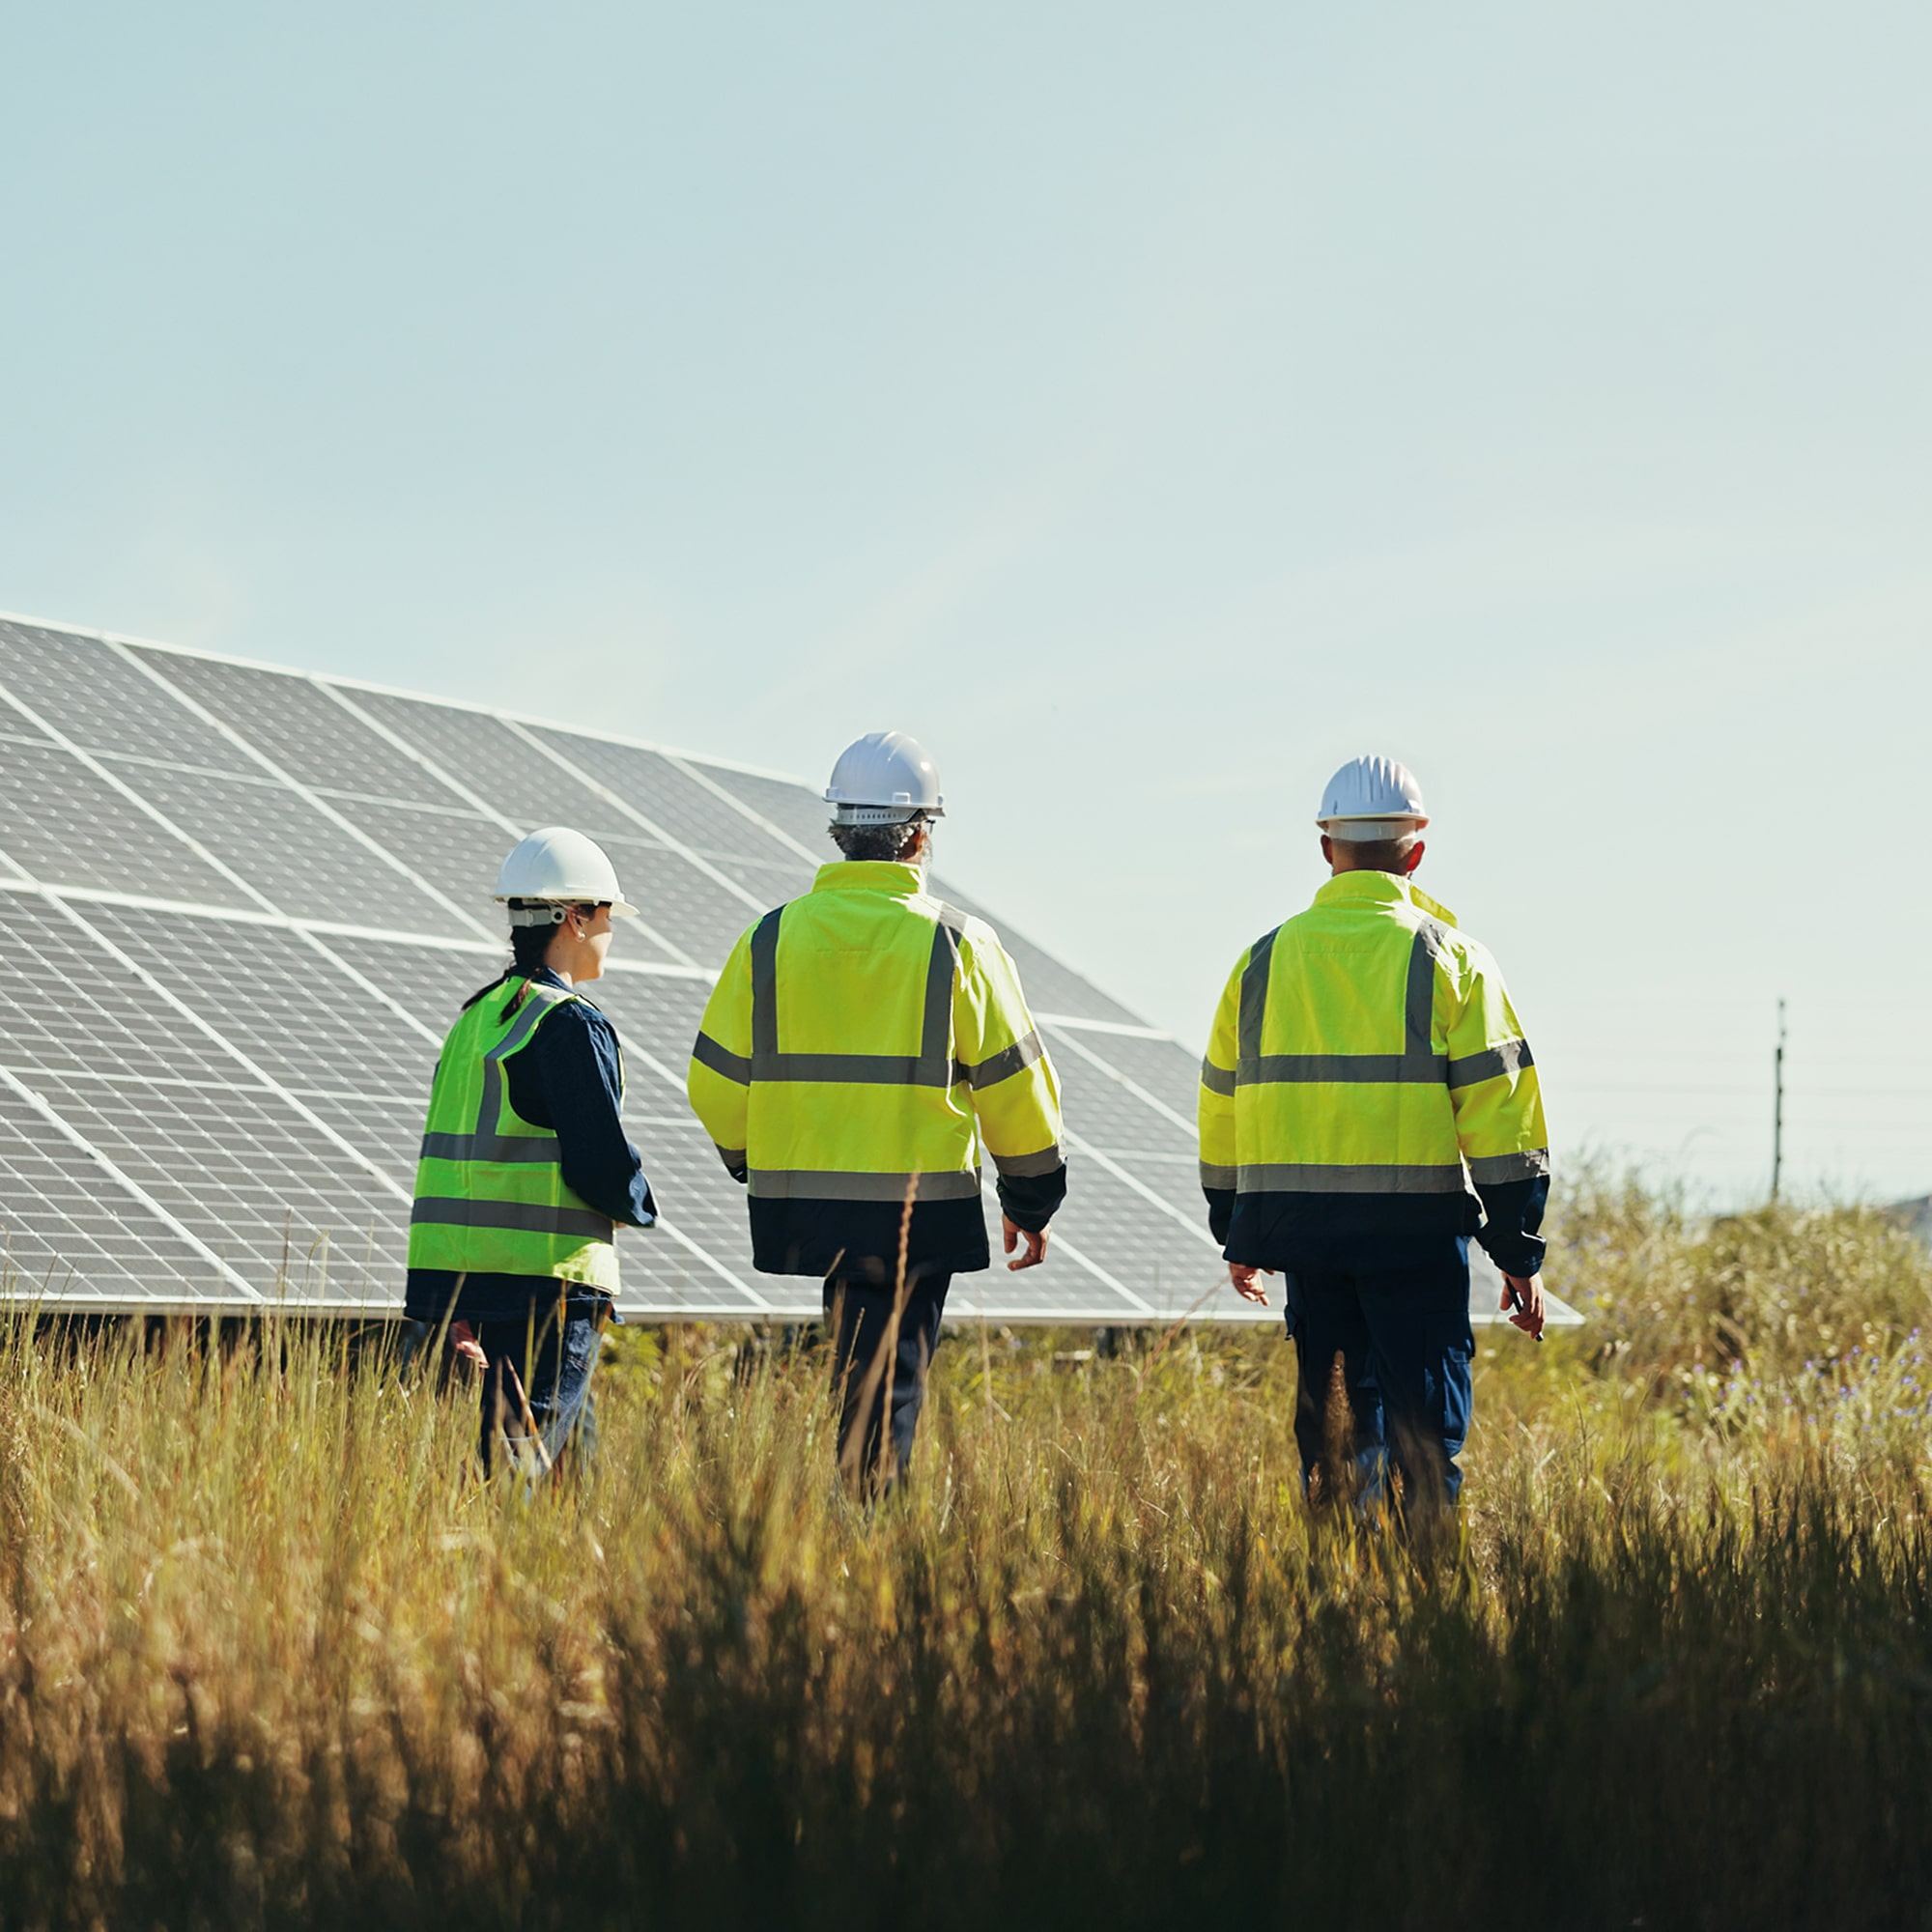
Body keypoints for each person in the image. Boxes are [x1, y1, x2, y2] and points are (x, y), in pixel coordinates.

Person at [687, 731, 1066, 1495]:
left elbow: (714, 1080)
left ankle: (857, 1510)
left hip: (806, 1204)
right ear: (921, 835)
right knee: (892, 1374)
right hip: (917, 1207)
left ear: (838, 831)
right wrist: (1031, 1197)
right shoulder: (960, 942)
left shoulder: (770, 938)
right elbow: (1012, 1083)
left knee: (862, 1364)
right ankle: (868, 1526)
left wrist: (750, 1160)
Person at [1197, 755, 1549, 1517]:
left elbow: (1222, 1102)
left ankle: (1334, 1598)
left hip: (1301, 1233)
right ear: (1416, 851)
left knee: (1334, 1434)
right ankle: (1427, 1602)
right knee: (1425, 1437)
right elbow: (1502, 1114)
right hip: (1412, 1238)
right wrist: (1518, 1249)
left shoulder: (1260, 963)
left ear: (1327, 848)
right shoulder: (1454, 960)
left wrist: (1238, 1227)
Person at [406, 826, 657, 1479]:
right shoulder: (567, 1022)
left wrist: (447, 1298)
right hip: (548, 1281)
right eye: (606, 915)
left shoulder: (473, 1021)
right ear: (573, 917)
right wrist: (641, 1205)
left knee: (567, 1469)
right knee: (520, 1465)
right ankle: (494, 1579)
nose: (610, 931)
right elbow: (601, 1164)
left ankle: (574, 1579)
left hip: (465, 1281)